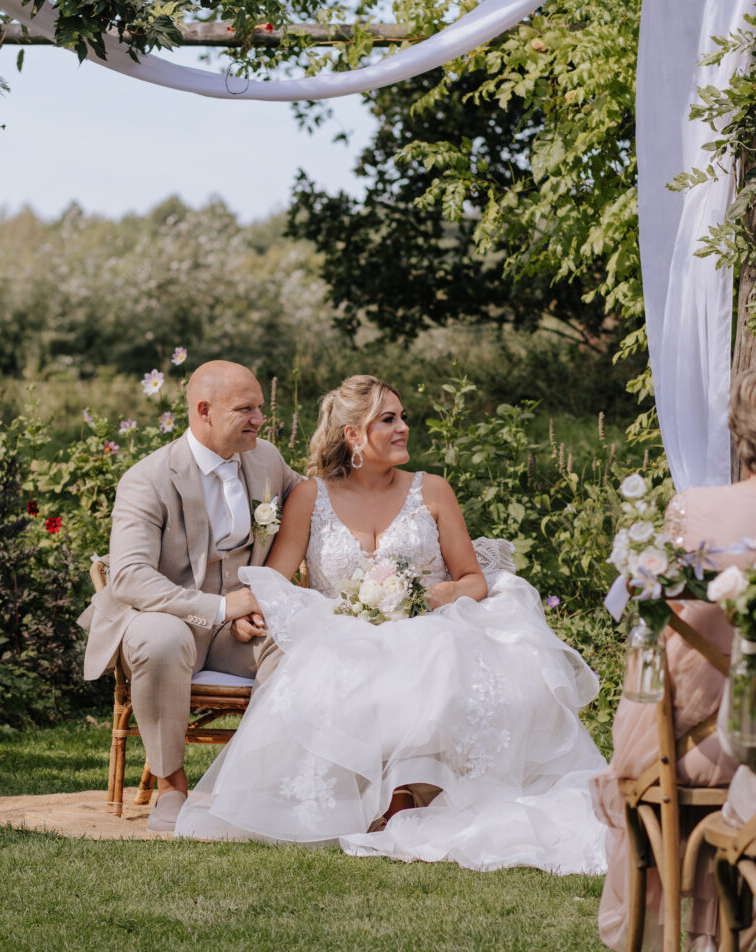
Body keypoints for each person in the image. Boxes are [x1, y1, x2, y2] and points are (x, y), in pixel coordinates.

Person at [175, 374, 608, 873]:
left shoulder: (433, 491)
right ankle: (373, 799)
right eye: (389, 419)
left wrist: (446, 592)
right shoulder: (309, 498)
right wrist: (251, 614)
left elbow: (474, 580)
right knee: (344, 667)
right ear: (353, 435)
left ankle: (414, 795)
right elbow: (277, 581)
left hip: (431, 625)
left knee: (438, 655)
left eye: (402, 417)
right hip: (344, 631)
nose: (403, 427)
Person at [77, 360, 302, 832]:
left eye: (261, 407)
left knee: (296, 639)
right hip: (159, 617)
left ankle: (261, 784)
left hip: (233, 629)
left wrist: (258, 599)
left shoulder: (266, 460)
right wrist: (222, 607)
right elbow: (133, 578)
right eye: (246, 409)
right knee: (162, 640)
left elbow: (311, 505)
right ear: (204, 411)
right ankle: (171, 788)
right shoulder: (148, 478)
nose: (260, 420)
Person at [591, 368, 756, 951]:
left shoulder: (697, 511)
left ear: (739, 424)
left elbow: (657, 647)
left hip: (701, 750)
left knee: (648, 723)